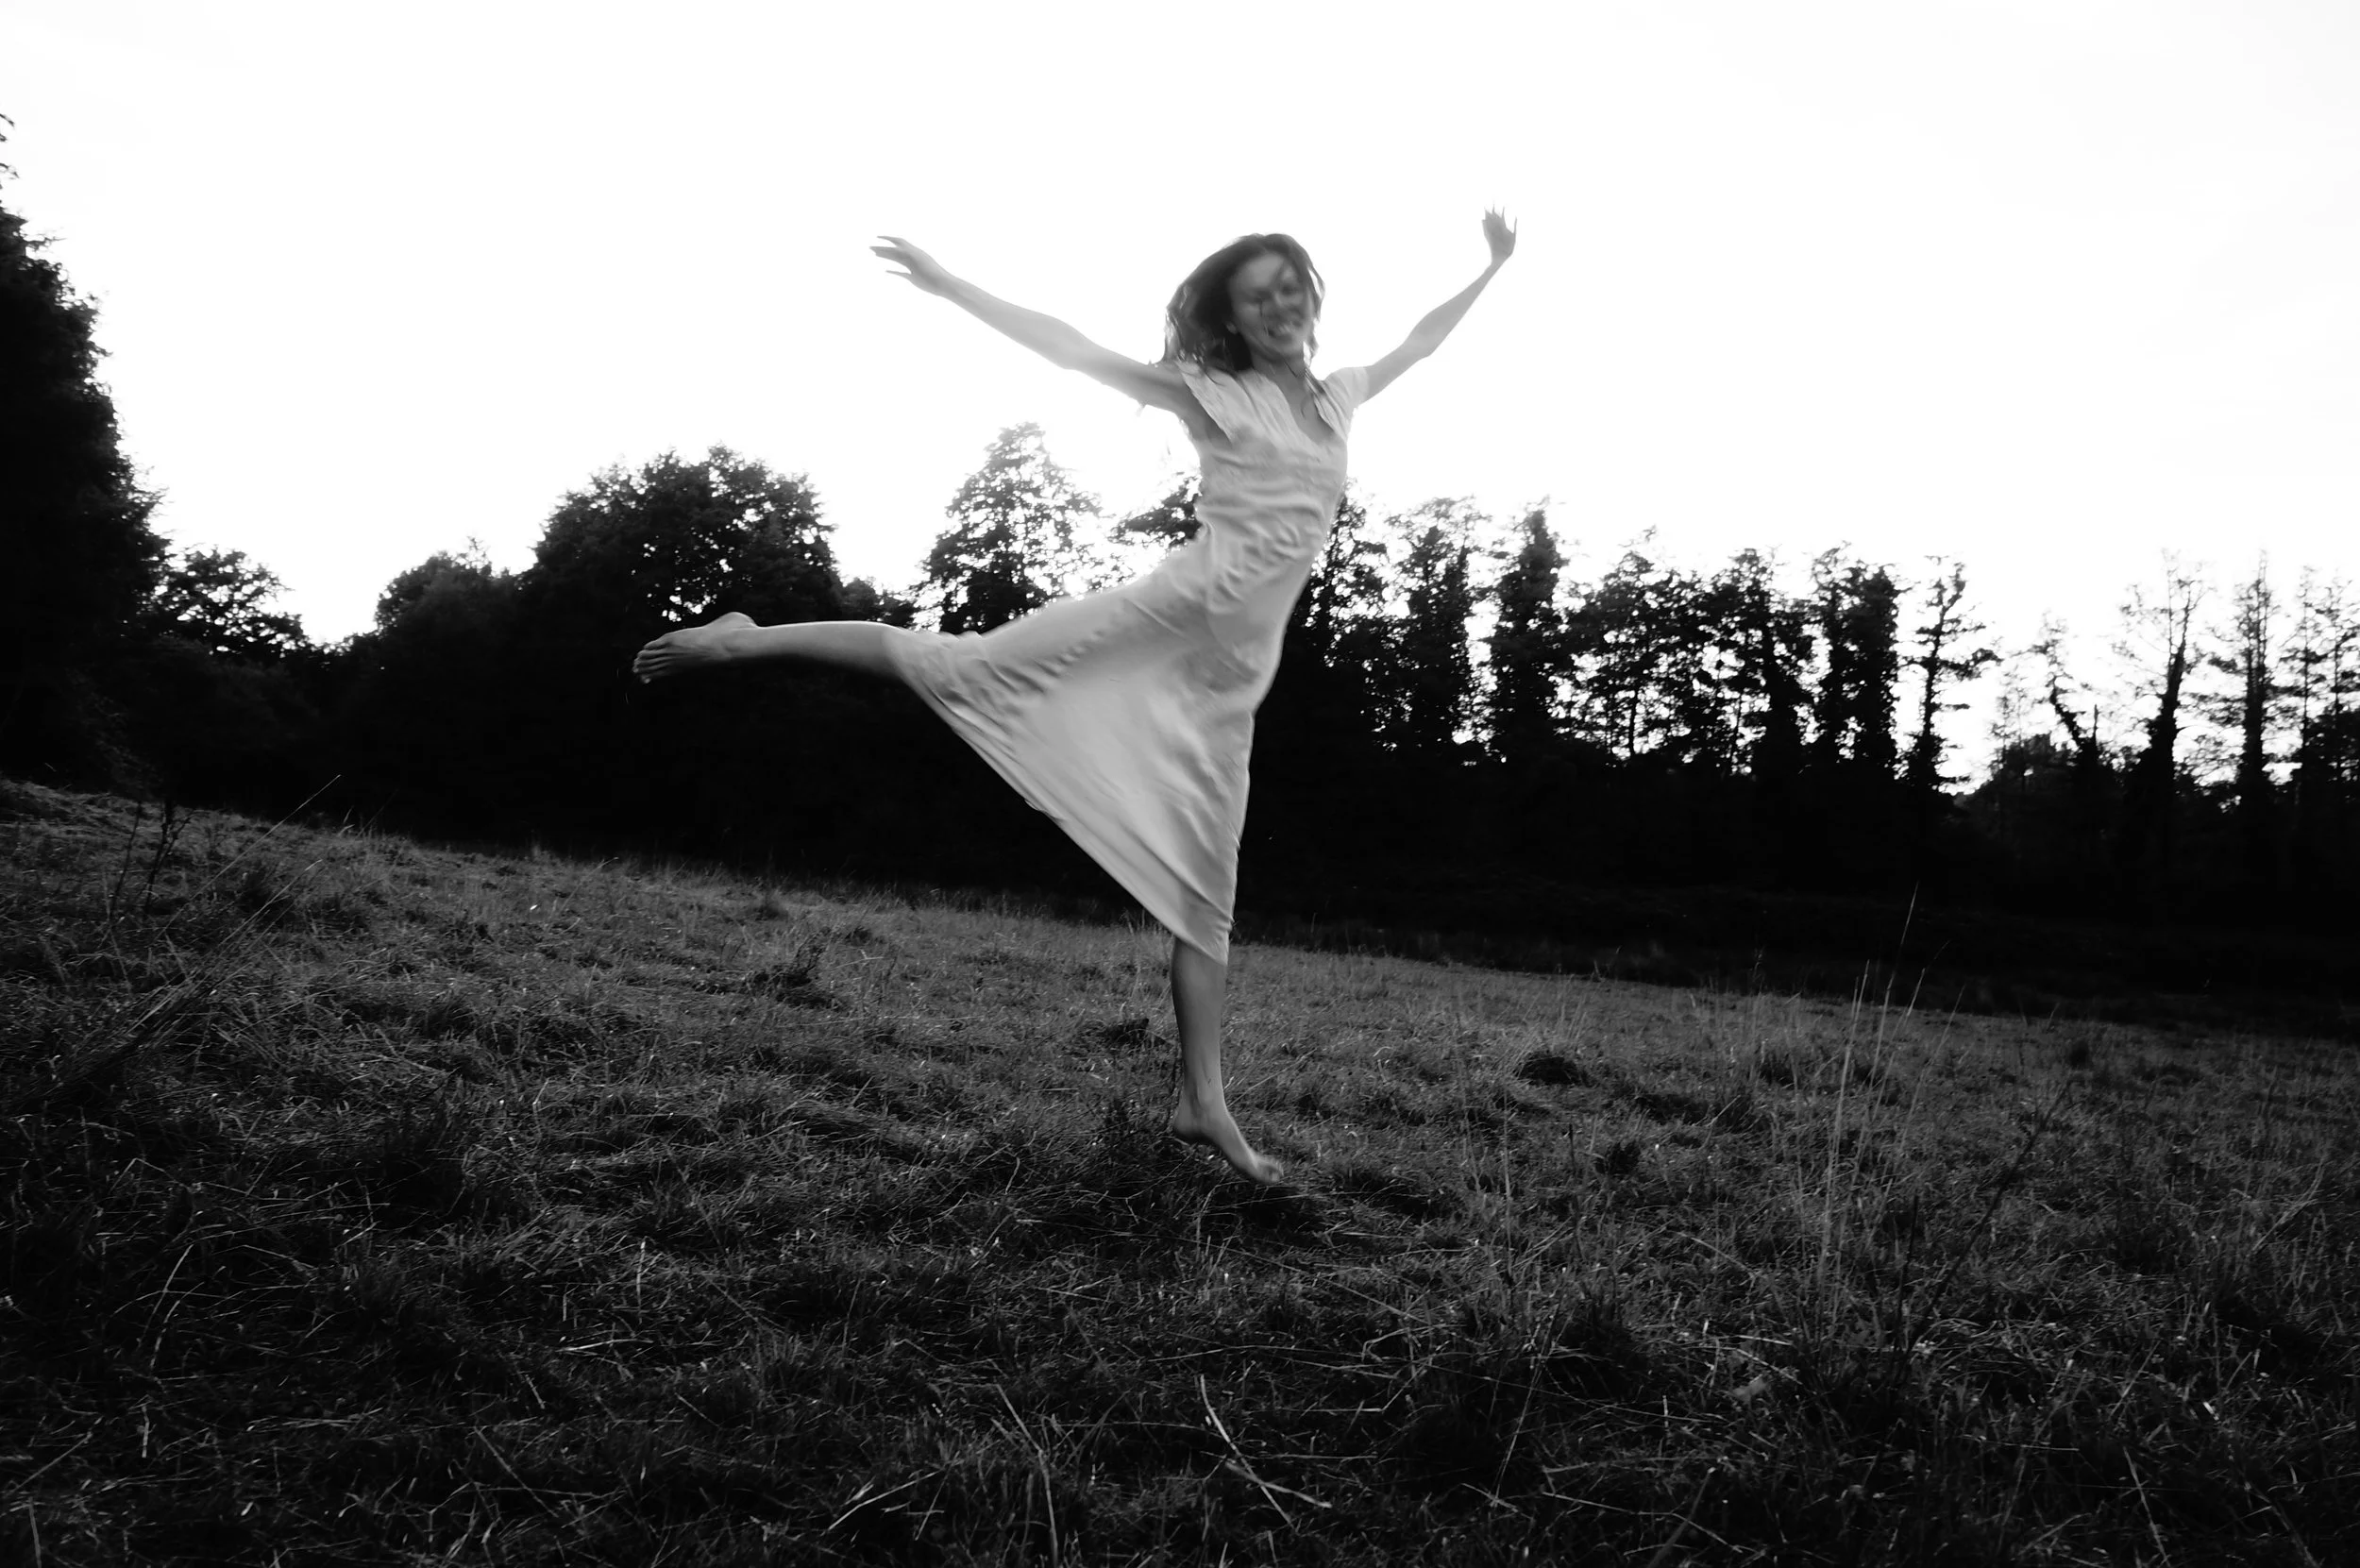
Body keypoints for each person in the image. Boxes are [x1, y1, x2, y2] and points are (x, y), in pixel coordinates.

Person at [633, 213, 1517, 1183]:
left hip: (1226, 676)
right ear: (1232, 315)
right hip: (1163, 617)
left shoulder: (1342, 396)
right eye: (1256, 293)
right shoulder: (1212, 391)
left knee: (1205, 890)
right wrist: (952, 284)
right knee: (961, 666)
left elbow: (1422, 340)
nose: (1278, 304)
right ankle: (747, 637)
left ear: (1313, 293)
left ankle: (1201, 1101)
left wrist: (1490, 264)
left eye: (1290, 285)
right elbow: (1072, 349)